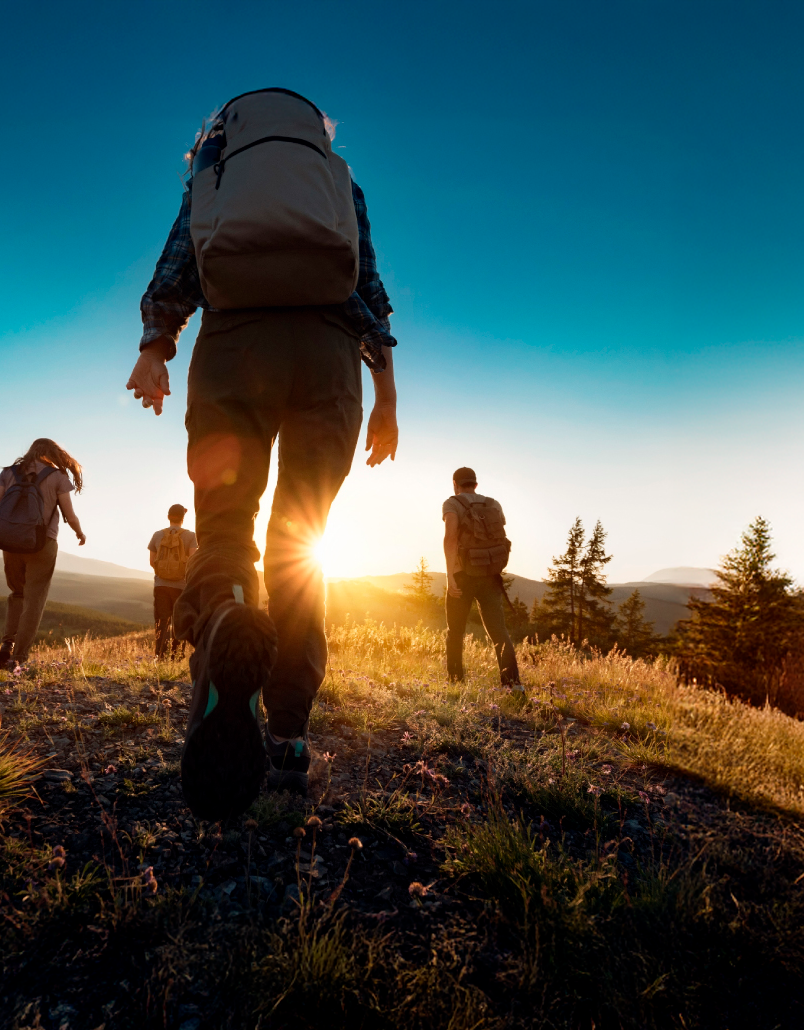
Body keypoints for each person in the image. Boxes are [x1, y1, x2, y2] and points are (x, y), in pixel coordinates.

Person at [125, 88, 400, 819]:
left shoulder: (213, 173)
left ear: (225, 129)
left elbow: (178, 263)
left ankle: (220, 619)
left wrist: (156, 348)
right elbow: (368, 288)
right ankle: (287, 738)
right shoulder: (339, 183)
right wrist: (387, 400)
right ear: (315, 133)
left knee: (223, 526)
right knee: (300, 541)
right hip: (328, 360)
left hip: (232, 350)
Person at [0, 439, 86, 672]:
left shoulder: (8, 473)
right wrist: (79, 532)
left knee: (17, 594)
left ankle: (7, 643)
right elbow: (69, 515)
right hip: (42, 545)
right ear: (52, 453)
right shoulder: (57, 477)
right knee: (34, 601)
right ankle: (19, 658)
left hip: (10, 542)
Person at [443, 467, 522, 686]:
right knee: (499, 632)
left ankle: (456, 684)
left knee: (456, 631)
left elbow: (450, 539)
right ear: (476, 484)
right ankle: (513, 687)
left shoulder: (452, 503)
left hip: (462, 575)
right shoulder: (493, 504)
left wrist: (450, 576)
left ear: (455, 484)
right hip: (490, 575)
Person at [147, 505, 199, 659]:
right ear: (183, 518)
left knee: (161, 622)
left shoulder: (157, 535)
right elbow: (193, 561)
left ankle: (160, 656)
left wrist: (165, 572)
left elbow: (152, 561)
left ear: (168, 517)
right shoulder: (190, 536)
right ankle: (177, 656)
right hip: (181, 586)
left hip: (161, 585)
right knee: (179, 622)